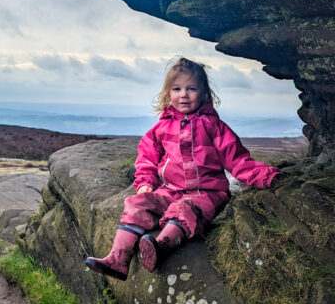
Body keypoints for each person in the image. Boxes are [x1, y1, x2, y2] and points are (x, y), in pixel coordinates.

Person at [85, 57, 282, 280]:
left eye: (191, 89)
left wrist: (267, 176)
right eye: (177, 89)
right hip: (170, 190)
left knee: (185, 210)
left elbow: (238, 160)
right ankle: (118, 259)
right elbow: (147, 158)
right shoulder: (161, 128)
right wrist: (146, 182)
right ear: (168, 93)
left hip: (207, 193)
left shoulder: (214, 127)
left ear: (204, 93)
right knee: (137, 204)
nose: (184, 95)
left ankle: (161, 246)